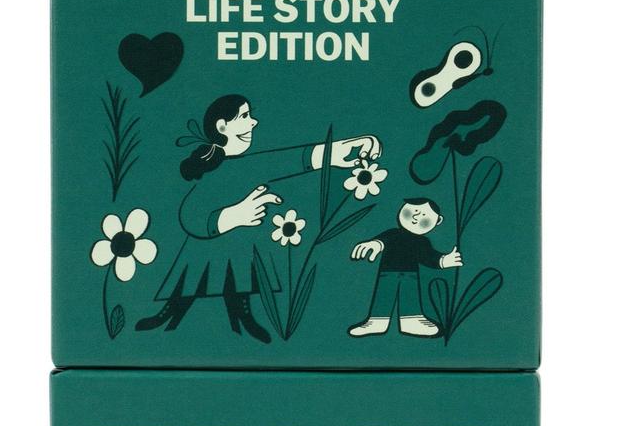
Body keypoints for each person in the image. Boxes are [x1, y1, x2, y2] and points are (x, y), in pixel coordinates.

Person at [136, 94, 381, 342]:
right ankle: (168, 316)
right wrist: (236, 215)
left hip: (237, 249)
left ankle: (242, 317)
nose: (253, 122)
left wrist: (343, 149)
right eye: (244, 116)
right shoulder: (213, 170)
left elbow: (288, 160)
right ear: (222, 127)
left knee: (239, 284)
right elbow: (190, 216)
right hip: (203, 250)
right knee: (189, 288)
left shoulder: (248, 165)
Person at [348, 198, 462, 337]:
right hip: (388, 274)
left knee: (410, 296)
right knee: (384, 295)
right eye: (414, 210)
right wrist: (375, 244)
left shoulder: (423, 241)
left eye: (424, 215)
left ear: (438, 221)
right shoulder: (393, 233)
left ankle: (412, 321)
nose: (416, 217)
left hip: (410, 275)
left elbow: (429, 257)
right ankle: (376, 322)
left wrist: (444, 261)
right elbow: (384, 241)